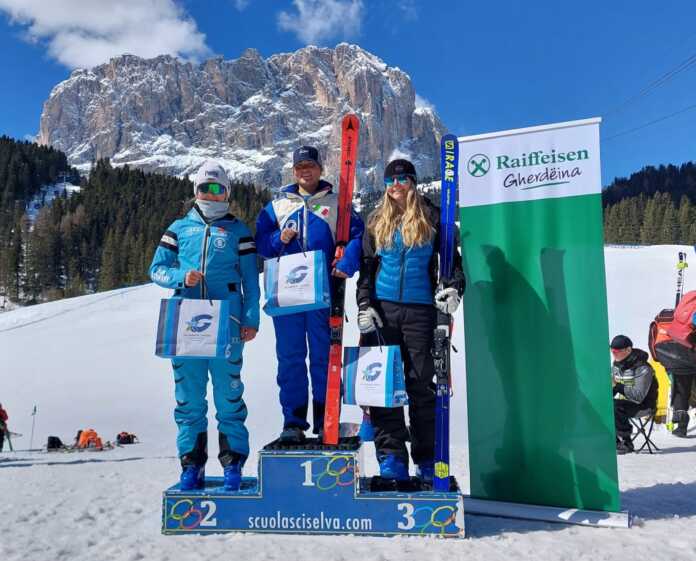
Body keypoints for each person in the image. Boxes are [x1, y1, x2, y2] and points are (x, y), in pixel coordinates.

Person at [149, 160, 260, 490]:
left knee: (229, 396)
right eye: (204, 188)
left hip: (227, 322)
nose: (211, 194)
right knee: (189, 399)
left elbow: (251, 281)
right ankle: (192, 465)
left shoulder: (238, 231)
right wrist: (180, 276)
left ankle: (233, 463)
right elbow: (156, 270)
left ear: (227, 192)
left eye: (217, 188)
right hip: (185, 321)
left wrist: (251, 319)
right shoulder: (179, 228)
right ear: (195, 191)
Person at [355, 158, 465, 484]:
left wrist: (454, 289)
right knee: (384, 388)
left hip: (420, 313)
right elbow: (366, 270)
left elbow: (453, 263)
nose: (396, 186)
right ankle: (391, 458)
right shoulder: (376, 220)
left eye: (402, 179)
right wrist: (364, 305)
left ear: (413, 182)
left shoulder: (433, 217)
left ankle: (427, 459)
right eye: (390, 181)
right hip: (384, 313)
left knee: (421, 386)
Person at [255, 146, 364, 442]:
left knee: (324, 356)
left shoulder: (336, 204)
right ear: (294, 171)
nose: (306, 171)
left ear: (320, 169)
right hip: (287, 293)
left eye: (310, 165)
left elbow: (357, 236)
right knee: (290, 358)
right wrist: (278, 238)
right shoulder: (277, 206)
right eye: (300, 166)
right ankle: (293, 422)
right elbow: (261, 243)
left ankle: (326, 418)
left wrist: (347, 262)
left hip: (322, 293)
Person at [610, 335, 658, 454]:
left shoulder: (643, 368)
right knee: (605, 404)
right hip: (626, 403)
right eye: (612, 351)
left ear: (628, 350)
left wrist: (616, 385)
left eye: (617, 351)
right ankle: (613, 441)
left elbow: (638, 397)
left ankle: (626, 442)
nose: (614, 354)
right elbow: (615, 387)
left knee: (614, 406)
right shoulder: (617, 365)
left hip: (644, 405)